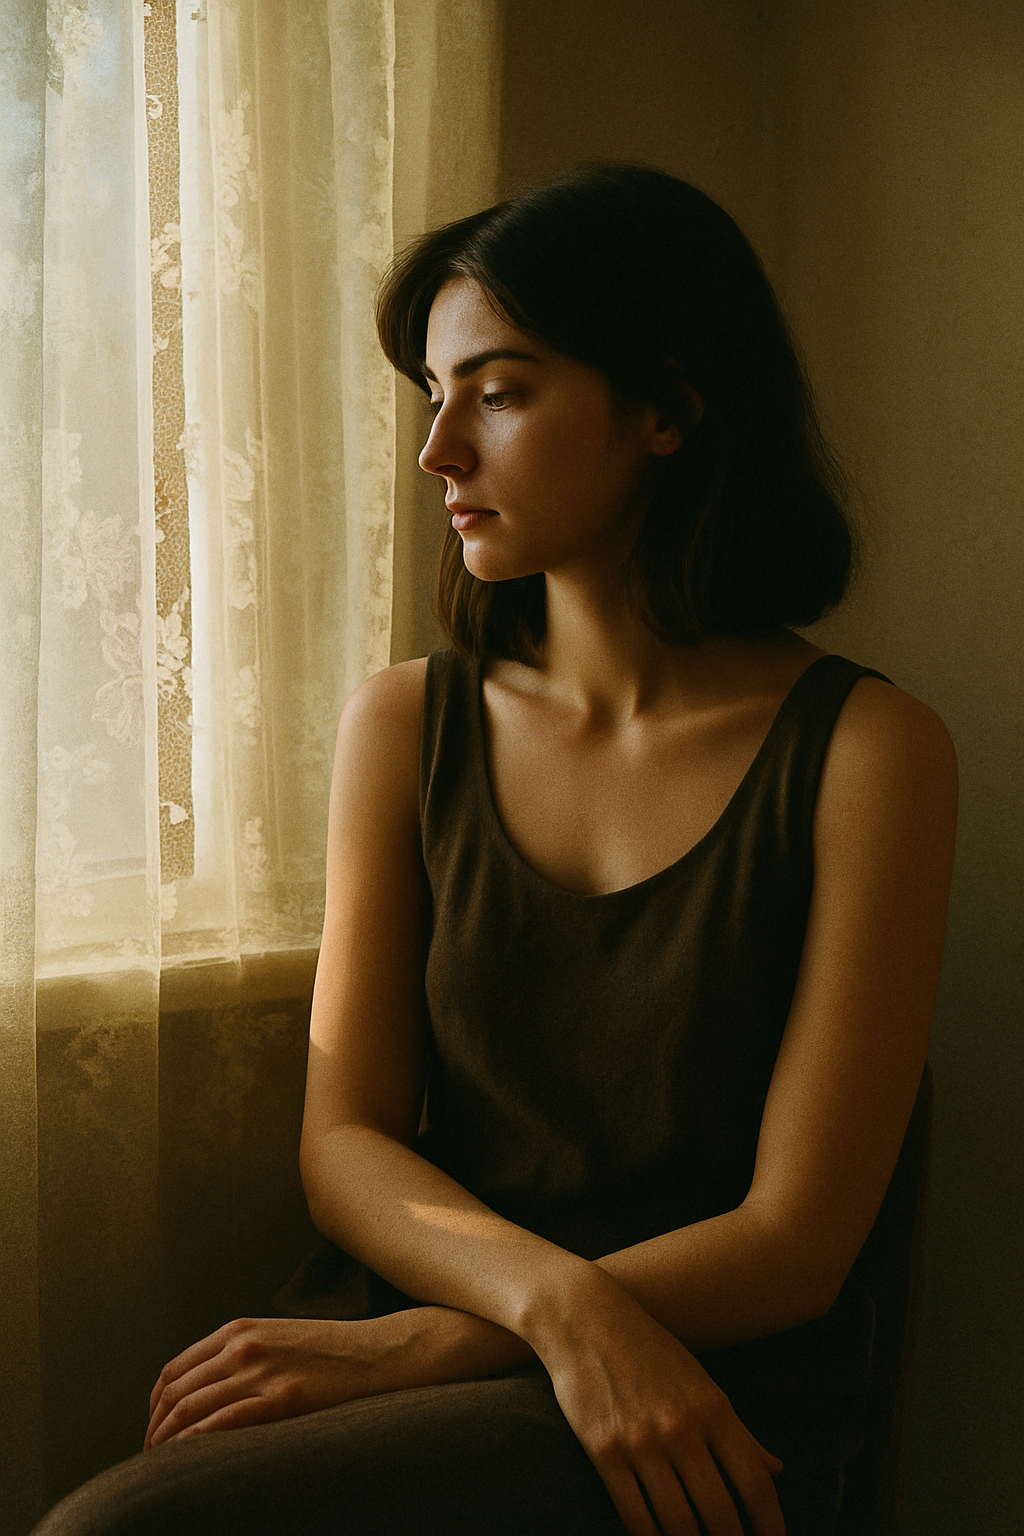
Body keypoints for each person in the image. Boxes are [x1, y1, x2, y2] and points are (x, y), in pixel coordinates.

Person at [33, 164, 957, 1536]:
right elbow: (344, 1139)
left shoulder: (870, 751)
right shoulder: (407, 722)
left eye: (502, 392)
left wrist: (446, 1343)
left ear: (669, 409)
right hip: (442, 1327)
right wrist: (542, 1307)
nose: (438, 451)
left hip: (700, 1390)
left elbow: (799, 1243)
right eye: (435, 394)